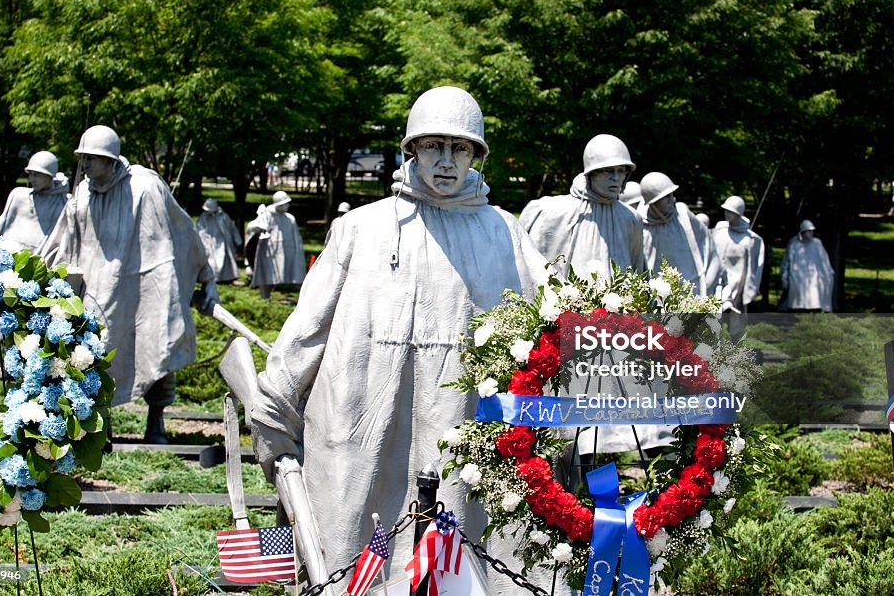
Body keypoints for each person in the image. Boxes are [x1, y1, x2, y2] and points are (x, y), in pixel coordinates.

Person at [250, 86, 547, 593]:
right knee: (356, 557)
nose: (447, 161)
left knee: (466, 564)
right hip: (365, 428)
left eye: (460, 148)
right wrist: (275, 407)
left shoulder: (507, 233)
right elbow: (309, 326)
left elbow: (553, 332)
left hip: (465, 431)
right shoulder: (360, 229)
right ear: (412, 150)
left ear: (477, 155)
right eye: (433, 146)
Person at [43, 125, 219, 443]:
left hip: (144, 289)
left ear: (111, 160)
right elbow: (65, 242)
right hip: (96, 292)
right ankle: (100, 424)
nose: (86, 166)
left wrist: (205, 276)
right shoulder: (81, 194)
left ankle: (156, 422)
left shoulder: (145, 187)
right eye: (83, 159)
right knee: (93, 355)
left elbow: (181, 233)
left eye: (93, 159)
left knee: (156, 349)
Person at [519, 134, 645, 279]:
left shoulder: (631, 218)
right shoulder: (551, 211)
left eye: (621, 171)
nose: (616, 178)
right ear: (591, 173)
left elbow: (637, 271)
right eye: (607, 170)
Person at [640, 171, 724, 296]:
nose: (672, 199)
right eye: (666, 197)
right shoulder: (642, 225)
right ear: (653, 202)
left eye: (671, 194)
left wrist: (709, 277)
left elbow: (706, 242)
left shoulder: (683, 214)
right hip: (660, 295)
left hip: (691, 289)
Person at [0, 151, 70, 253]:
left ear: (49, 176)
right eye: (30, 174)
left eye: (36, 175)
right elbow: (2, 222)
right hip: (7, 252)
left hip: (37, 257)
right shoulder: (18, 195)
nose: (31, 179)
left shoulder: (63, 202)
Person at [712, 195, 765, 341]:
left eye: (731, 212)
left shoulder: (750, 240)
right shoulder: (718, 233)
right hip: (718, 284)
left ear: (738, 214)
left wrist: (748, 289)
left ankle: (737, 350)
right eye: (726, 211)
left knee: (736, 321)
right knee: (715, 319)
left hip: (737, 287)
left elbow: (754, 267)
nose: (727, 214)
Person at [244, 190, 306, 300]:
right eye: (285, 204)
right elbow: (250, 227)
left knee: (288, 273)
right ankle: (264, 297)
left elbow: (297, 238)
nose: (287, 205)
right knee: (267, 275)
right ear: (279, 205)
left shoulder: (290, 218)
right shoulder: (266, 215)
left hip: (286, 252)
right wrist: (258, 227)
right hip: (269, 252)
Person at [779, 219, 834, 312]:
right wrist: (784, 277)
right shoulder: (794, 244)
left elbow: (823, 260)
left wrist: (827, 273)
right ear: (803, 232)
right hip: (797, 278)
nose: (811, 233)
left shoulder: (817, 243)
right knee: (798, 302)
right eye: (808, 231)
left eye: (812, 231)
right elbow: (786, 262)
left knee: (813, 300)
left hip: (813, 278)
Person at [196, 198, 242, 283]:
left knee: (221, 258)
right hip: (208, 241)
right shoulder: (203, 216)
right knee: (209, 259)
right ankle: (208, 276)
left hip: (221, 241)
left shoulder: (223, 217)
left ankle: (223, 277)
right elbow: (199, 228)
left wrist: (237, 241)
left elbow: (231, 229)